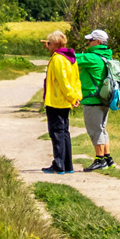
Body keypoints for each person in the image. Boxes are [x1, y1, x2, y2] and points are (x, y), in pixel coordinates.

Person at [75, 29, 115, 171]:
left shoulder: (92, 57)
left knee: (94, 130)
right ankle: (108, 157)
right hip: (104, 99)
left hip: (93, 100)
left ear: (98, 42)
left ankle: (99, 160)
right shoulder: (107, 57)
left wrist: (59, 50)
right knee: (102, 129)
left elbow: (72, 58)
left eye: (90, 40)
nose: (88, 43)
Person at [40, 30, 80, 174]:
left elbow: (63, 82)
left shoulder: (57, 59)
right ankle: (67, 165)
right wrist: (76, 96)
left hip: (57, 101)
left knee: (56, 133)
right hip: (65, 101)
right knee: (64, 132)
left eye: (49, 43)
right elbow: (76, 80)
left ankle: (58, 165)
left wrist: (71, 96)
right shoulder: (70, 57)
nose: (47, 46)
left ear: (55, 44)